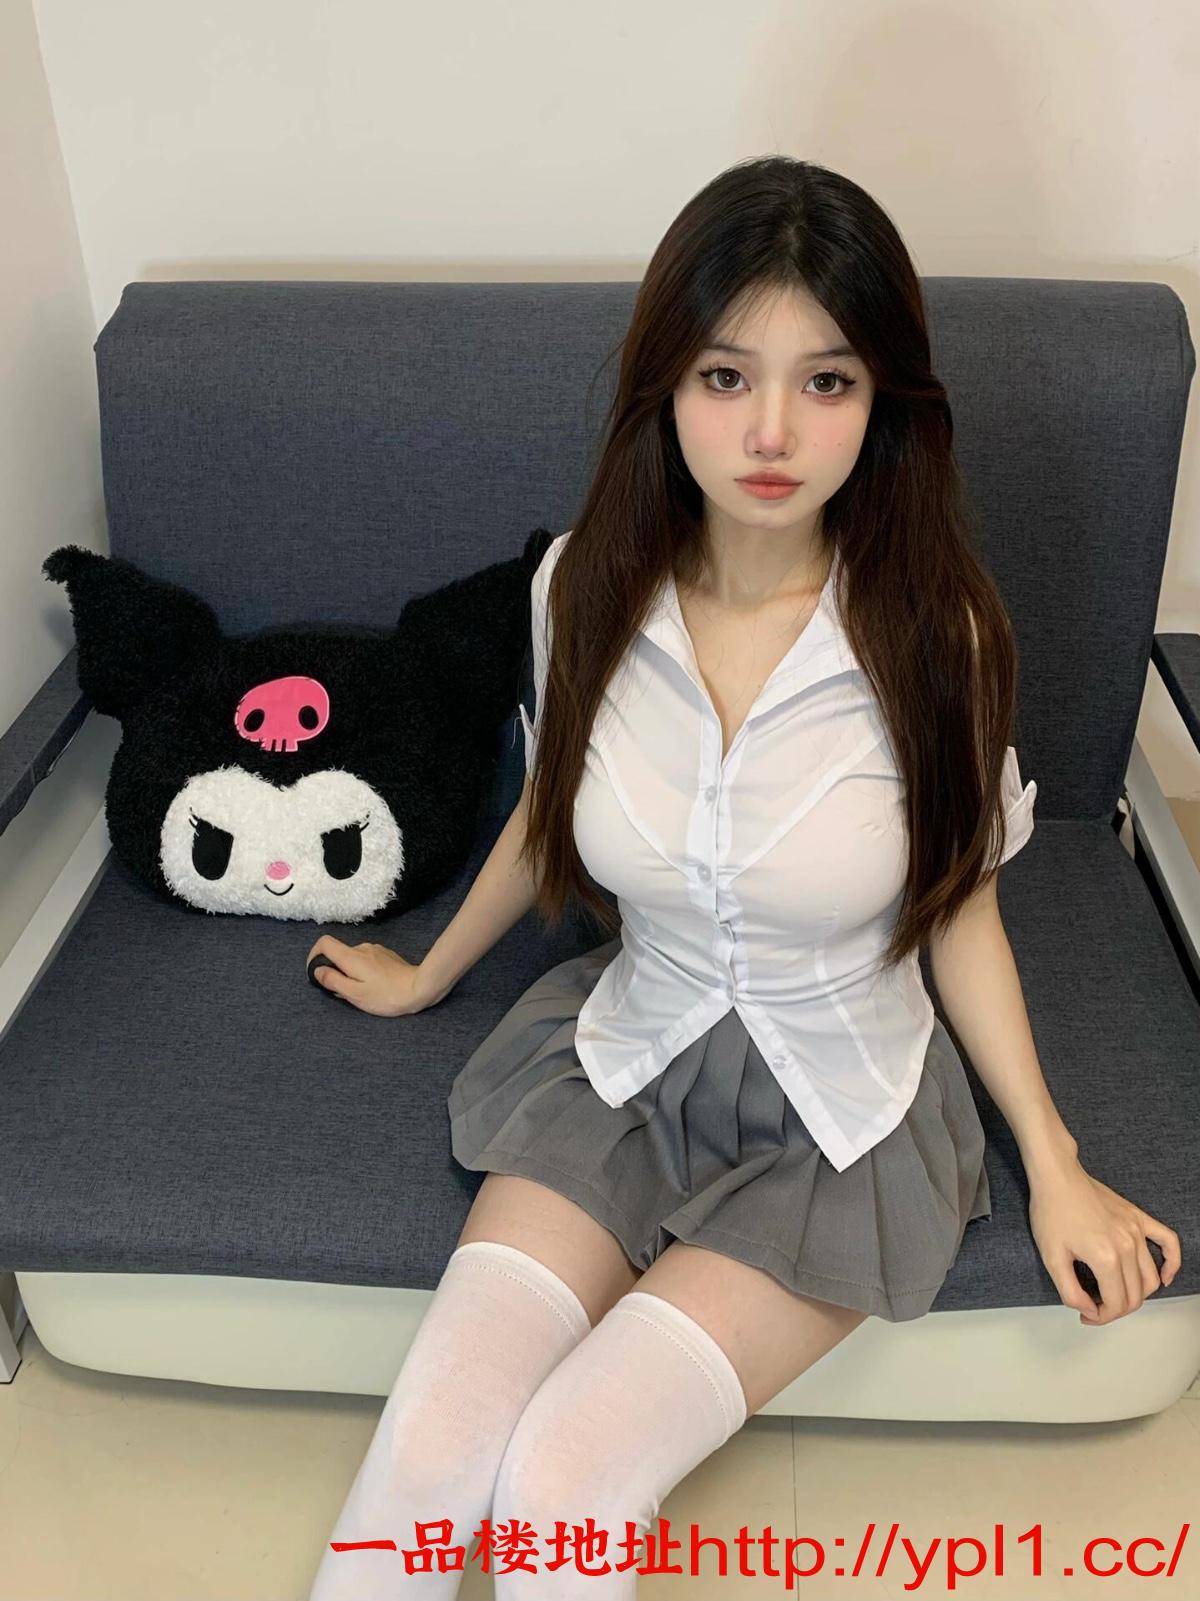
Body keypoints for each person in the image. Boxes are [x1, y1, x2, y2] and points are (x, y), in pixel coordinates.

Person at [305, 157, 1182, 1599]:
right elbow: (551, 802)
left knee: (564, 1476)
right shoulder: (583, 584)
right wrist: (429, 973)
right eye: (726, 376)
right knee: (434, 1447)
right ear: (667, 384)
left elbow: (958, 903)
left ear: (882, 401)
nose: (771, 431)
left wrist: (1056, 1159)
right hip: (629, 1053)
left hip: (842, 1107)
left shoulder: (941, 633)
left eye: (826, 382)